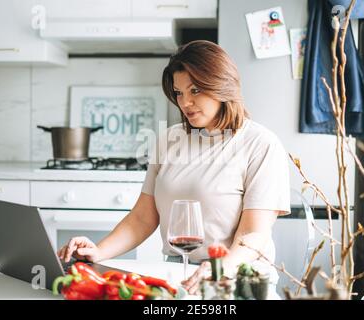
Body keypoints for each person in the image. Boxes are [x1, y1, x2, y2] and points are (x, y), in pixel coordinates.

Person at [58, 40, 291, 295]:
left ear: (222, 85)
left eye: (194, 90)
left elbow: (253, 233)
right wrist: (98, 251)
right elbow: (142, 218)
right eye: (179, 93)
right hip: (176, 272)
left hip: (238, 279)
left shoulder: (260, 144)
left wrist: (218, 268)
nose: (185, 102)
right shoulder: (169, 139)